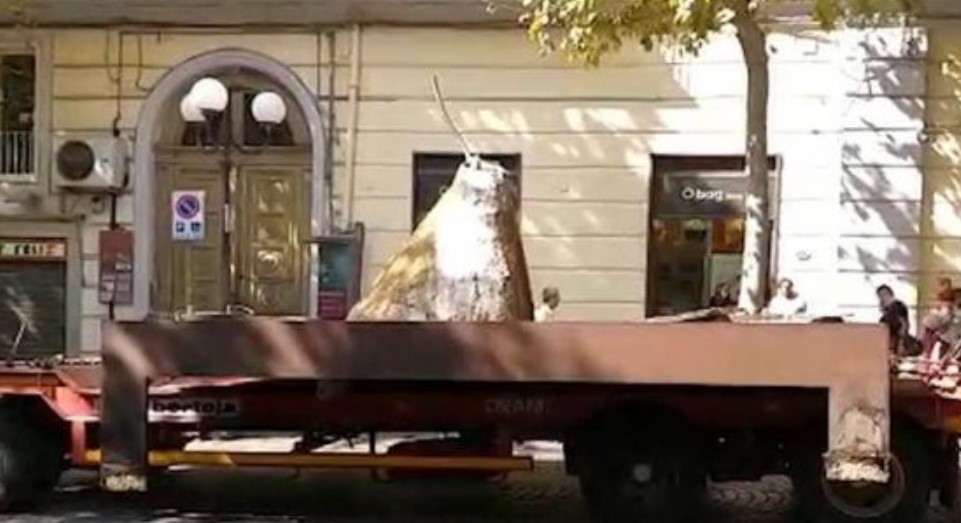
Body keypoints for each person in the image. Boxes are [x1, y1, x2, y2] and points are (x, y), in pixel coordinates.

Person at [877, 284, 911, 355]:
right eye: (880, 296)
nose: (882, 299)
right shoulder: (888, 312)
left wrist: (901, 342)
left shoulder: (898, 306)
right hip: (889, 342)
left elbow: (903, 325)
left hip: (896, 341)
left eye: (883, 295)